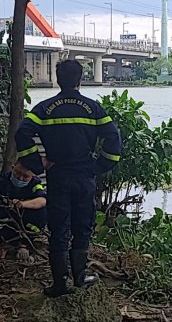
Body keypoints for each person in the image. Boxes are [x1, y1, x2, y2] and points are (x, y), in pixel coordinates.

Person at [15, 60, 122, 298]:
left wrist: (36, 163)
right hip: (84, 176)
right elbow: (113, 137)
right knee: (83, 226)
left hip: (58, 176)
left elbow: (22, 133)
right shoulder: (93, 108)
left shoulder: (44, 108)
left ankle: (59, 283)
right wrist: (100, 165)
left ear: (57, 79)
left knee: (59, 228)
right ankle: (81, 277)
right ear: (79, 80)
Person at [0, 162, 47, 261]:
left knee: (42, 212)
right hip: (6, 218)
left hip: (25, 220)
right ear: (12, 168)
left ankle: (24, 244)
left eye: (25, 176)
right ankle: (5, 244)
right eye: (17, 173)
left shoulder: (35, 184)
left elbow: (42, 201)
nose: (20, 178)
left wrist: (22, 204)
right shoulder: (3, 180)